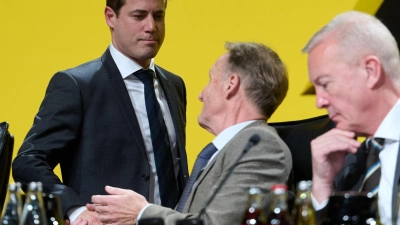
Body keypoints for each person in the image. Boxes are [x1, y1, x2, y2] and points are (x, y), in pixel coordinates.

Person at [12, 0, 188, 224]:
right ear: (110, 17)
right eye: (138, 16)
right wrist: (74, 209)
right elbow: (28, 162)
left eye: (159, 16)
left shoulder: (174, 85)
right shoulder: (77, 85)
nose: (151, 26)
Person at [78, 42, 292, 225]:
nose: (201, 95)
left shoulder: (262, 146)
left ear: (231, 85)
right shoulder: (230, 148)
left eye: (210, 79)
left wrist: (141, 213)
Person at [302, 11, 400, 225]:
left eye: (325, 84)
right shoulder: (347, 164)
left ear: (371, 71)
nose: (319, 102)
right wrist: (322, 187)